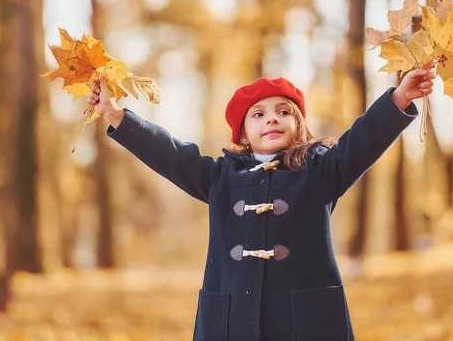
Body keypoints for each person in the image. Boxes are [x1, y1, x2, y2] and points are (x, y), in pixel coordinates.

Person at [87, 69, 434, 341]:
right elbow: (169, 153)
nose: (272, 118)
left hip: (304, 320)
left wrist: (399, 98)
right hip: (231, 319)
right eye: (258, 114)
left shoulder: (321, 171)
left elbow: (361, 141)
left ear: (298, 126)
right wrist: (116, 115)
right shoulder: (219, 177)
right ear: (241, 134)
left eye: (284, 111)